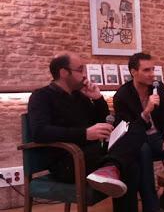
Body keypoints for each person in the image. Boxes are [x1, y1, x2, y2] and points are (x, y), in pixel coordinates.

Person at [28, 52, 148, 212]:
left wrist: (97, 99)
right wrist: (84, 134)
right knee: (129, 165)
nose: (85, 74)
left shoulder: (80, 96)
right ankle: (111, 166)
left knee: (135, 128)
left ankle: (110, 166)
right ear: (64, 73)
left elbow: (105, 121)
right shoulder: (41, 96)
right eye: (80, 70)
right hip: (67, 161)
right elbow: (40, 132)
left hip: (92, 153)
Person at [113, 52, 164, 212]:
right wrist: (146, 111)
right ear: (134, 72)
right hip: (138, 141)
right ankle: (151, 207)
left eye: (152, 69)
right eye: (146, 70)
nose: (152, 74)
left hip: (158, 138)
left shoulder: (158, 87)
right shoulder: (122, 96)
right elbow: (127, 131)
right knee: (144, 152)